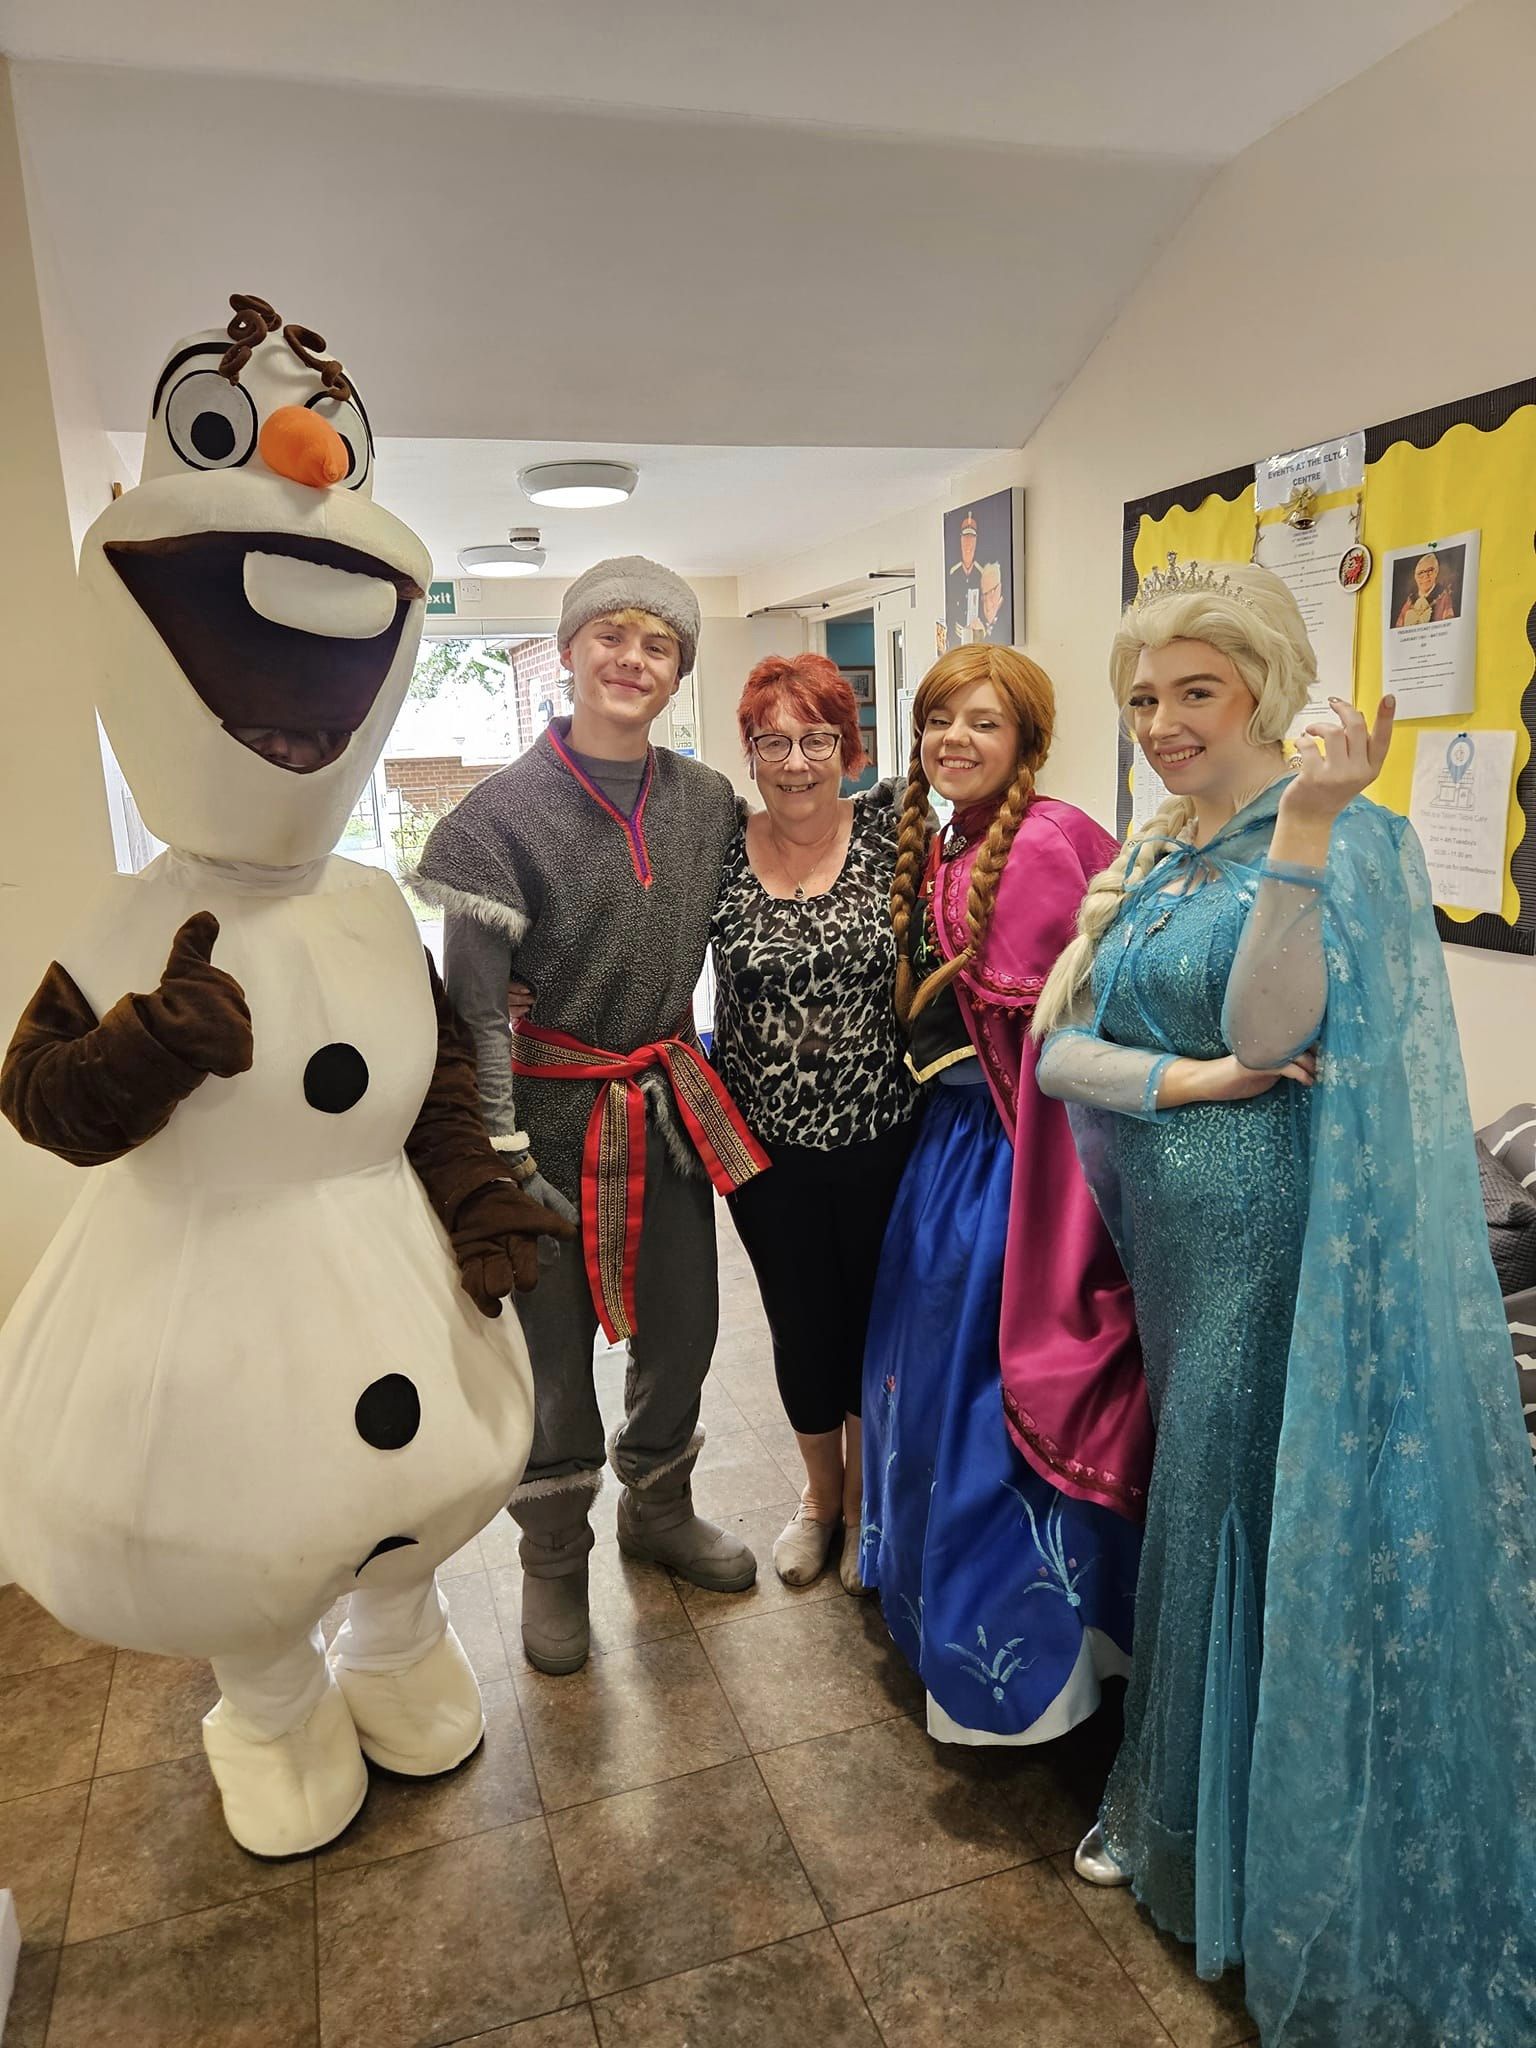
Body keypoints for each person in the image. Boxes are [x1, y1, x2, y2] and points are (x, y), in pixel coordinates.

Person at [0, 294, 566, 1857]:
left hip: (381, 1256)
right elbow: (40, 1095)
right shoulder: (135, 917)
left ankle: (394, 1646)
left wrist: (474, 1195)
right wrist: (146, 1047)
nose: (294, 746)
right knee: (234, 1524)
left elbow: (433, 1076)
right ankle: (268, 1704)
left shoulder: (373, 900)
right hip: (201, 1284)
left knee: (405, 1501)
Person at [1033, 558, 1536, 2045]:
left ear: (1264, 689)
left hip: (1272, 1247)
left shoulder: (1345, 841)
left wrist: (1307, 823)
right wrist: (1190, 1083)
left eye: (1197, 690)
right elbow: (1060, 1053)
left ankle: (1241, 1847)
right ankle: (1208, 1813)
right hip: (1175, 1252)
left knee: (1235, 1514)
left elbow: (1272, 1026)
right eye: (1143, 697)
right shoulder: (1164, 844)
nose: (1163, 723)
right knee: (1211, 1504)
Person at [413, 558, 768, 1677]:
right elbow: (477, 1009)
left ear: (679, 672)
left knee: (684, 1330)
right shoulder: (496, 819)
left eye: (659, 645)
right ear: (567, 651)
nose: (632, 659)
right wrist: (504, 1150)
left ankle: (659, 1511)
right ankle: (554, 1559)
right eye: (610, 635)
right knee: (551, 1355)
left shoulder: (708, 803)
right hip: (545, 1120)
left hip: (663, 1106)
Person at [861, 645, 1149, 1747]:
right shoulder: (953, 836)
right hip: (955, 1152)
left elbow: (1055, 1055)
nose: (957, 740)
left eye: (984, 723)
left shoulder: (1037, 843)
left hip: (1019, 1165)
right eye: (942, 719)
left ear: (1027, 739)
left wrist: (1067, 1217)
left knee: (991, 1384)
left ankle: (1033, 1662)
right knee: (940, 1379)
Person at [709, 654, 918, 1591]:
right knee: (800, 1325)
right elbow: (630, 922)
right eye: (774, 742)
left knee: (872, 1321)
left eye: (817, 739)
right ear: (751, 754)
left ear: (849, 748)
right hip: (765, 1152)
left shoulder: (892, 831)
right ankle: (818, 1502)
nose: (796, 762)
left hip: (883, 1136)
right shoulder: (720, 847)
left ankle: (868, 1504)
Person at [1393, 549, 1457, 626]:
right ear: (1415, 576)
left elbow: (1450, 627)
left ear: (1436, 572)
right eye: (1420, 573)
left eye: (1430, 570)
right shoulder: (1409, 602)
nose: (1425, 576)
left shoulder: (1444, 598)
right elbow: (1399, 628)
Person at [947, 511, 982, 644]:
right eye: (965, 537)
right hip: (957, 635)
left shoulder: (981, 573)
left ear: (976, 541)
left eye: (971, 538)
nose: (968, 543)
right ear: (961, 540)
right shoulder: (953, 574)